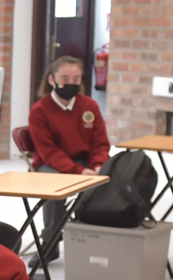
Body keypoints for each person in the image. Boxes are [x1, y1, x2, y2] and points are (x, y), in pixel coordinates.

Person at [25, 53, 110, 260]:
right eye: (65, 79)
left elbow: (100, 143)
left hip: (85, 162)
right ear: (52, 79)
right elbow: (48, 152)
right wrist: (78, 171)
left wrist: (98, 165)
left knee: (113, 178)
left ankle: (98, 243)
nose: (71, 84)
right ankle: (50, 242)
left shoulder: (90, 106)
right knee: (55, 185)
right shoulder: (40, 110)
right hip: (50, 165)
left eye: (76, 79)